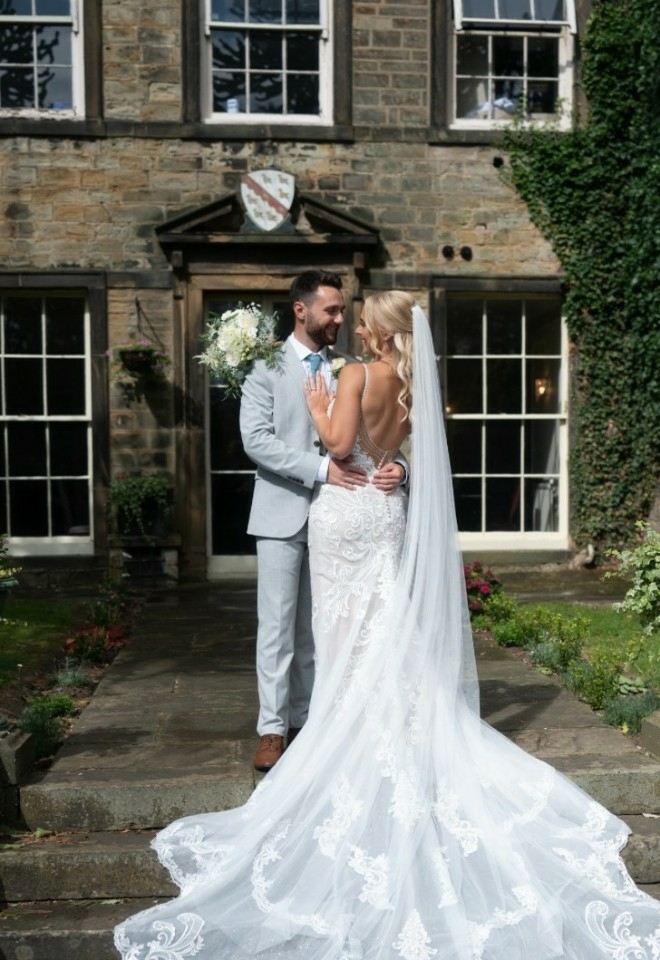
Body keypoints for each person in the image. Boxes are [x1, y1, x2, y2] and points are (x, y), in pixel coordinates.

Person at [115, 293, 660, 960]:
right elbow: (394, 451)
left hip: (344, 515)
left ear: (378, 329)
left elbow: (340, 444)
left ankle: (348, 739)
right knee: (383, 627)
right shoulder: (408, 381)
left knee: (347, 638)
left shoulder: (352, 375)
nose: (354, 325)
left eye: (362, 316)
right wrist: (394, 465)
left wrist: (319, 411)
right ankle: (385, 731)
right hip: (385, 514)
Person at [238, 270, 407, 772]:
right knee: (278, 625)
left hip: (347, 516)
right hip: (283, 511)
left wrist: (402, 468)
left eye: (343, 310)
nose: (341, 318)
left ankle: (312, 719)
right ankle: (271, 729)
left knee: (326, 624)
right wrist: (321, 471)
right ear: (301, 310)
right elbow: (256, 440)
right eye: (332, 310)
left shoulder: (354, 366)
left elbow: (388, 435)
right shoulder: (265, 367)